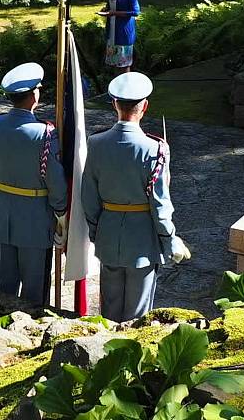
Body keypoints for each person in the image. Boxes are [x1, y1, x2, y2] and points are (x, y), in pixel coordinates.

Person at [81, 72, 191, 322]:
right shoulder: (156, 149)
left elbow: (88, 194)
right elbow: (160, 203)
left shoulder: (96, 143)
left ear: (114, 104)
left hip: (108, 232)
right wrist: (169, 237)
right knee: (137, 315)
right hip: (143, 239)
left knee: (108, 311)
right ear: (144, 107)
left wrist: (96, 230)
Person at [0, 63, 68, 305]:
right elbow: (55, 180)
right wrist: (61, 213)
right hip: (36, 218)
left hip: (4, 211)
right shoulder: (45, 133)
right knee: (34, 289)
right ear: (34, 95)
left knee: (4, 285)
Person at [97, 0, 139, 75]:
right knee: (115, 63)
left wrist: (114, 13)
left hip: (123, 32)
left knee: (124, 64)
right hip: (112, 31)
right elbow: (110, 3)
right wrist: (106, 9)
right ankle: (116, 90)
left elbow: (135, 11)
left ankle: (126, 90)